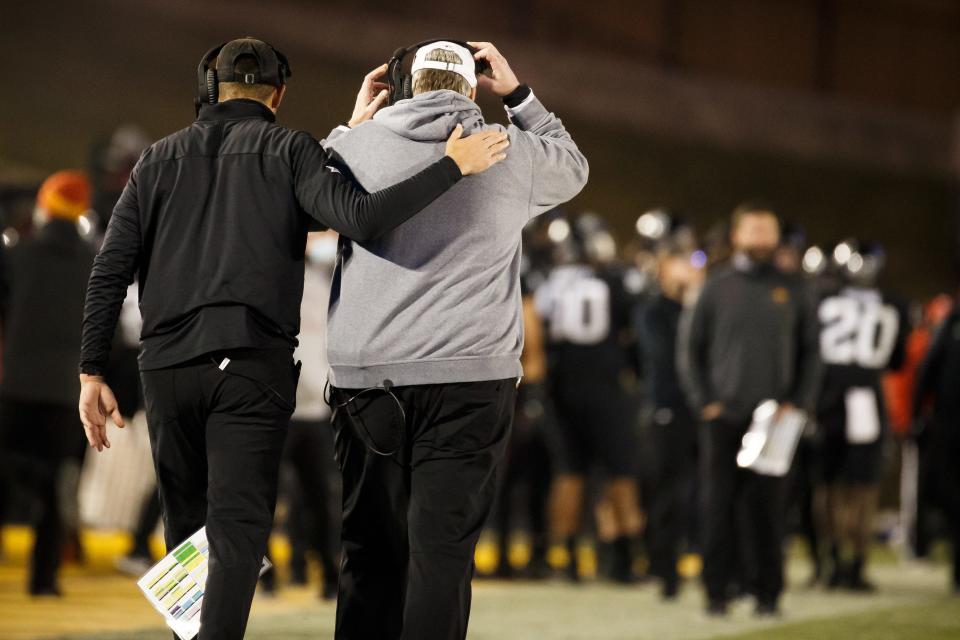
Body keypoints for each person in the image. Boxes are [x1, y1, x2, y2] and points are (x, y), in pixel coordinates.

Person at [77, 37, 507, 640]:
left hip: (166, 366)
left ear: (207, 88)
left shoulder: (156, 159)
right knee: (238, 528)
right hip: (250, 363)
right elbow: (356, 216)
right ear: (279, 93)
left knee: (188, 534)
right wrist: (451, 167)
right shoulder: (288, 150)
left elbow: (109, 268)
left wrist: (92, 371)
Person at [322, 40, 587, 640]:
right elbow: (573, 166)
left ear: (406, 83)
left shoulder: (356, 147)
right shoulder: (510, 150)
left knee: (368, 550)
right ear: (471, 87)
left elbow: (306, 188)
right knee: (441, 556)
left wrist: (355, 122)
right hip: (471, 378)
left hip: (369, 378)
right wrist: (518, 95)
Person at [681, 201, 821, 616]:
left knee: (769, 510)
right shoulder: (715, 286)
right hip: (723, 417)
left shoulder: (795, 288)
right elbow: (690, 351)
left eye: (768, 230)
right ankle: (717, 591)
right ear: (737, 235)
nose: (761, 238)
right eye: (753, 230)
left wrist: (797, 402)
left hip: (776, 419)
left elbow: (812, 351)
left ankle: (767, 593)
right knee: (718, 505)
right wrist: (704, 401)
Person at [0, 171, 95, 595]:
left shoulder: (19, 255)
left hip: (14, 382)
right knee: (55, 484)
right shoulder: (93, 261)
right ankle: (44, 579)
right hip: (64, 390)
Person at [535, 213, 643, 585]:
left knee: (568, 475)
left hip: (561, 388)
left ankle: (561, 557)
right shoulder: (613, 280)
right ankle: (625, 556)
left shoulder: (547, 283)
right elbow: (633, 331)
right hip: (606, 387)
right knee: (620, 472)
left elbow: (535, 332)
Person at [813, 240, 907, 591]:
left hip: (828, 400)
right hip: (864, 400)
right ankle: (854, 562)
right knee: (861, 487)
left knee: (831, 485)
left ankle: (835, 560)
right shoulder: (893, 305)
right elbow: (895, 361)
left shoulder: (821, 298)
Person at [637, 248, 703, 599]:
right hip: (669, 409)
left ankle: (706, 563)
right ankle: (664, 569)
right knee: (668, 493)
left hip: (702, 409)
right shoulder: (653, 311)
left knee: (704, 491)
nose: (689, 272)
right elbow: (666, 358)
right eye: (680, 265)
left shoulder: (699, 307)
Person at [912, 299, 960, 593]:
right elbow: (927, 370)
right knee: (946, 493)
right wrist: (918, 414)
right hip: (950, 425)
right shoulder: (952, 321)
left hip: (948, 424)